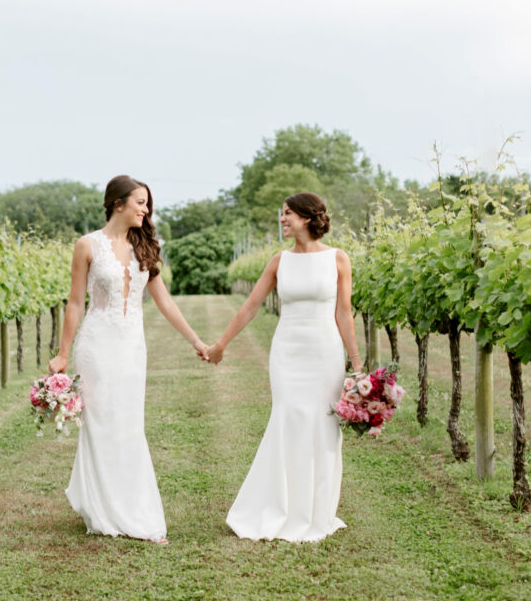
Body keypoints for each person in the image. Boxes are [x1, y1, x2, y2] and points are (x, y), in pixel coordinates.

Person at [49, 175, 210, 544]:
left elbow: (164, 300)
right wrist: (61, 353)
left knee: (129, 424)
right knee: (102, 423)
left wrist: (196, 341)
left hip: (131, 347)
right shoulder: (86, 245)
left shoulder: (145, 246)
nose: (146, 209)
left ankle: (131, 507)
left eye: (147, 203)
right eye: (140, 202)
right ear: (117, 203)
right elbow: (75, 303)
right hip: (97, 345)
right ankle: (105, 508)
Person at [207, 192, 363, 541]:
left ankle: (316, 511)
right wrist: (221, 344)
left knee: (323, 427)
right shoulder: (279, 261)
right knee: (288, 419)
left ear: (308, 217)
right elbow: (250, 307)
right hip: (287, 353)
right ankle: (280, 506)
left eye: (288, 213)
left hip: (324, 353)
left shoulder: (338, 259)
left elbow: (344, 313)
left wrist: (356, 364)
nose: (283, 219)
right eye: (282, 214)